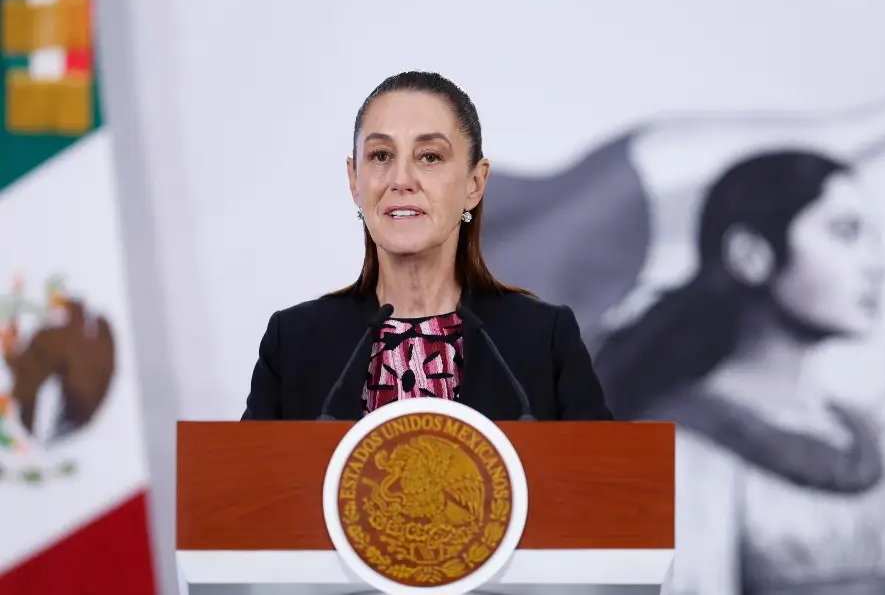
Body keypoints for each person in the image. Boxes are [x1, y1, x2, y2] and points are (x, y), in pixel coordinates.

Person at [593, 151, 885, 595]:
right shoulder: (681, 450)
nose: (875, 265)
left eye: (872, 238)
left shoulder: (873, 443)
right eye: (845, 233)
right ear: (750, 254)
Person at [241, 71, 613, 422]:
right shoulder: (294, 342)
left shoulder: (544, 338)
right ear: (354, 180)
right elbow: (246, 470)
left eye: (429, 157)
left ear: (475, 183)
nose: (401, 179)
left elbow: (604, 468)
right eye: (381, 156)